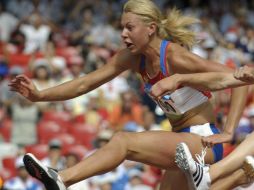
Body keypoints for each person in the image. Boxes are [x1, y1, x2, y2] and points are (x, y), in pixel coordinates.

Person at [8, 0, 248, 190]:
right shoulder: (132, 58)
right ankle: (241, 177)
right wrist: (40, 96)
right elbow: (84, 84)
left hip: (202, 141)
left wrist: (228, 131)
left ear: (151, 28)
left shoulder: (175, 57)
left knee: (123, 141)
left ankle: (62, 179)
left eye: (129, 27)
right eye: (122, 27)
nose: (123, 34)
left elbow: (241, 80)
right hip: (179, 141)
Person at [150, 65, 254, 189]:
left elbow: (236, 81)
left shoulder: (177, 58)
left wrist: (179, 78)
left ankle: (220, 176)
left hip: (199, 133)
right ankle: (231, 177)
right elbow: (237, 79)